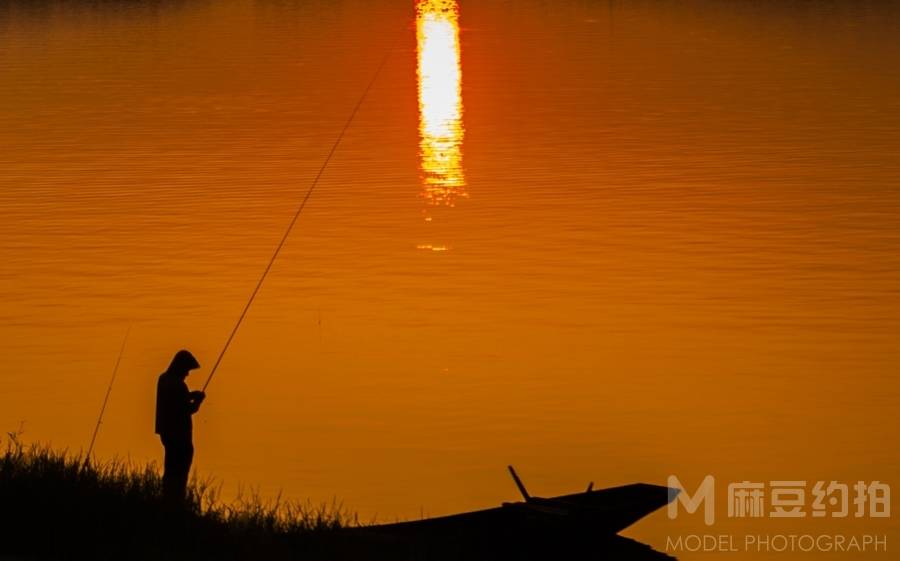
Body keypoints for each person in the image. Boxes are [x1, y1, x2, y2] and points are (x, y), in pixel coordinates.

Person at [155, 349, 206, 505]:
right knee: (180, 472)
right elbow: (188, 410)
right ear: (180, 367)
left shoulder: (163, 379)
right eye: (187, 370)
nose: (187, 374)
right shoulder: (179, 385)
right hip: (181, 437)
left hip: (167, 435)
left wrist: (190, 395)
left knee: (170, 470)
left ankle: (168, 500)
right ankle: (177, 502)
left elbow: (173, 401)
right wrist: (198, 401)